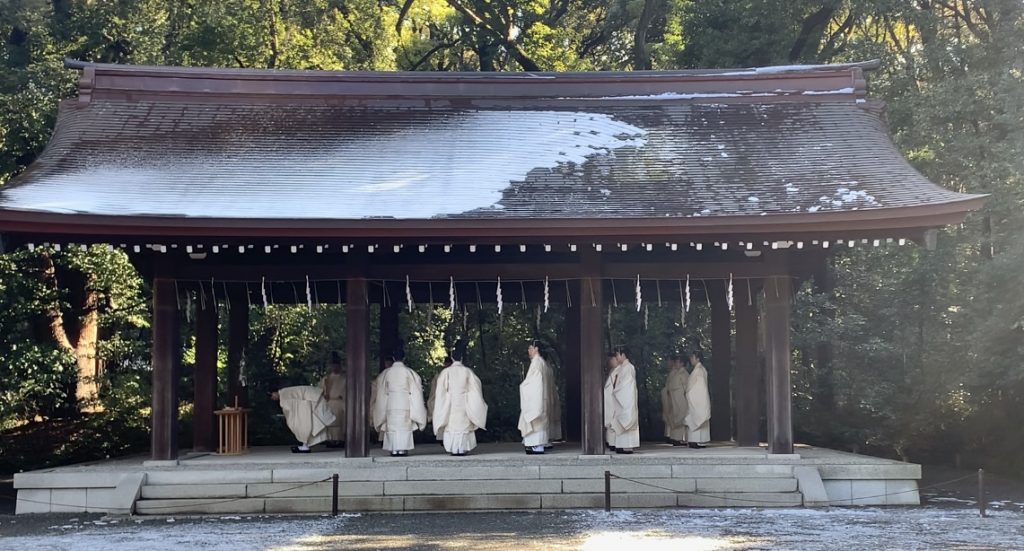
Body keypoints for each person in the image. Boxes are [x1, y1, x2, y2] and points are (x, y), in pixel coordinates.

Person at [432, 341, 488, 456]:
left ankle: (454, 448)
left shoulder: (445, 372)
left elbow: (440, 391)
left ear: (452, 357)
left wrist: (445, 400)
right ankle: (462, 448)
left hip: (451, 402)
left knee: (452, 425)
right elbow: (475, 389)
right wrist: (470, 398)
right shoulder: (467, 372)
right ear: (461, 358)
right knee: (463, 425)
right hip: (463, 401)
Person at [371, 346, 428, 456]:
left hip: (391, 401)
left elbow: (382, 391)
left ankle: (393, 448)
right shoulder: (409, 373)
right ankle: (402, 449)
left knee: (392, 425)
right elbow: (416, 391)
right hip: (404, 401)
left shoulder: (386, 373)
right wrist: (416, 407)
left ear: (393, 358)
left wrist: (381, 407)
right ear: (404, 358)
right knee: (404, 425)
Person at [270, 384, 337, 453]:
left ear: (275, 392)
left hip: (313, 399)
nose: (273, 398)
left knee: (307, 423)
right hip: (311, 399)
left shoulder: (284, 393)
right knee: (311, 422)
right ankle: (305, 445)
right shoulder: (284, 395)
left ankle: (305, 445)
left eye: (272, 395)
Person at [604, 345, 640, 454]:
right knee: (619, 421)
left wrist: (615, 391)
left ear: (623, 355)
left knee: (625, 421)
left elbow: (626, 387)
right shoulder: (622, 368)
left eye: (617, 355)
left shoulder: (629, 367)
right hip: (620, 401)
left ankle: (627, 446)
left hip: (625, 401)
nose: (616, 357)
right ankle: (621, 445)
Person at [518, 339, 550, 455]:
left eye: (530, 348)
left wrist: (523, 386)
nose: (529, 350)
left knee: (536, 421)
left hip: (537, 397)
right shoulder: (540, 362)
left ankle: (536, 445)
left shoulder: (537, 363)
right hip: (542, 397)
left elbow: (534, 384)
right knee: (538, 422)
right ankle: (535, 445)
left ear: (536, 349)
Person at [684, 350, 712, 449]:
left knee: (697, 415)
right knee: (694, 416)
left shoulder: (699, 371)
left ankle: (698, 441)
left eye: (693, 358)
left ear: (698, 359)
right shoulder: (699, 370)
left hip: (698, 398)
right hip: (695, 398)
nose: (691, 360)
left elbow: (700, 388)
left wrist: (690, 393)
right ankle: (695, 440)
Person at [661, 353, 689, 446]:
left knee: (681, 417)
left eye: (677, 362)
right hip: (673, 399)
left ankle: (682, 439)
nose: (675, 364)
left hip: (680, 400)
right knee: (673, 417)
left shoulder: (684, 374)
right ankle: (675, 438)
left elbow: (686, 388)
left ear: (682, 363)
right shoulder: (674, 373)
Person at [319, 351, 346, 448]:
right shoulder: (326, 379)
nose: (335, 368)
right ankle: (330, 439)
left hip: (340, 403)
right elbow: (320, 391)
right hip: (329, 402)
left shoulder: (345, 379)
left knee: (340, 421)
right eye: (333, 366)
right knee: (329, 421)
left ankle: (340, 439)